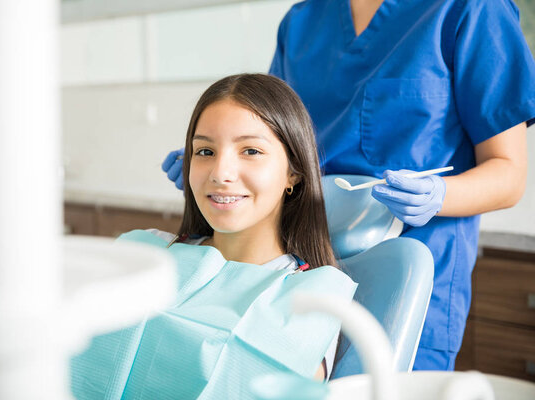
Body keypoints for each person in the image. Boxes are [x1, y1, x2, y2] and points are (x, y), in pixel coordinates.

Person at [163, 0, 535, 372]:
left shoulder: (470, 9)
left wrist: (439, 196)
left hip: (407, 273)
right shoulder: (301, 22)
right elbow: (273, 134)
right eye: (205, 150)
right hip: (294, 267)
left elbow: (508, 174)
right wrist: (219, 162)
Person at [71, 73, 357, 399]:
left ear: (293, 171)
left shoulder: (308, 302)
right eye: (205, 152)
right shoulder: (144, 252)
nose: (221, 173)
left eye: (250, 151)